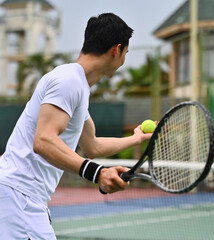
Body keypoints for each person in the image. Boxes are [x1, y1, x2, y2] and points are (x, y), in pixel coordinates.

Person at [0, 13, 152, 239]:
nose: (124, 60)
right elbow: (43, 140)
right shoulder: (69, 81)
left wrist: (137, 138)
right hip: (19, 196)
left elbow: (93, 146)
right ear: (116, 49)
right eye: (126, 53)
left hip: (20, 196)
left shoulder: (78, 86)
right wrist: (97, 172)